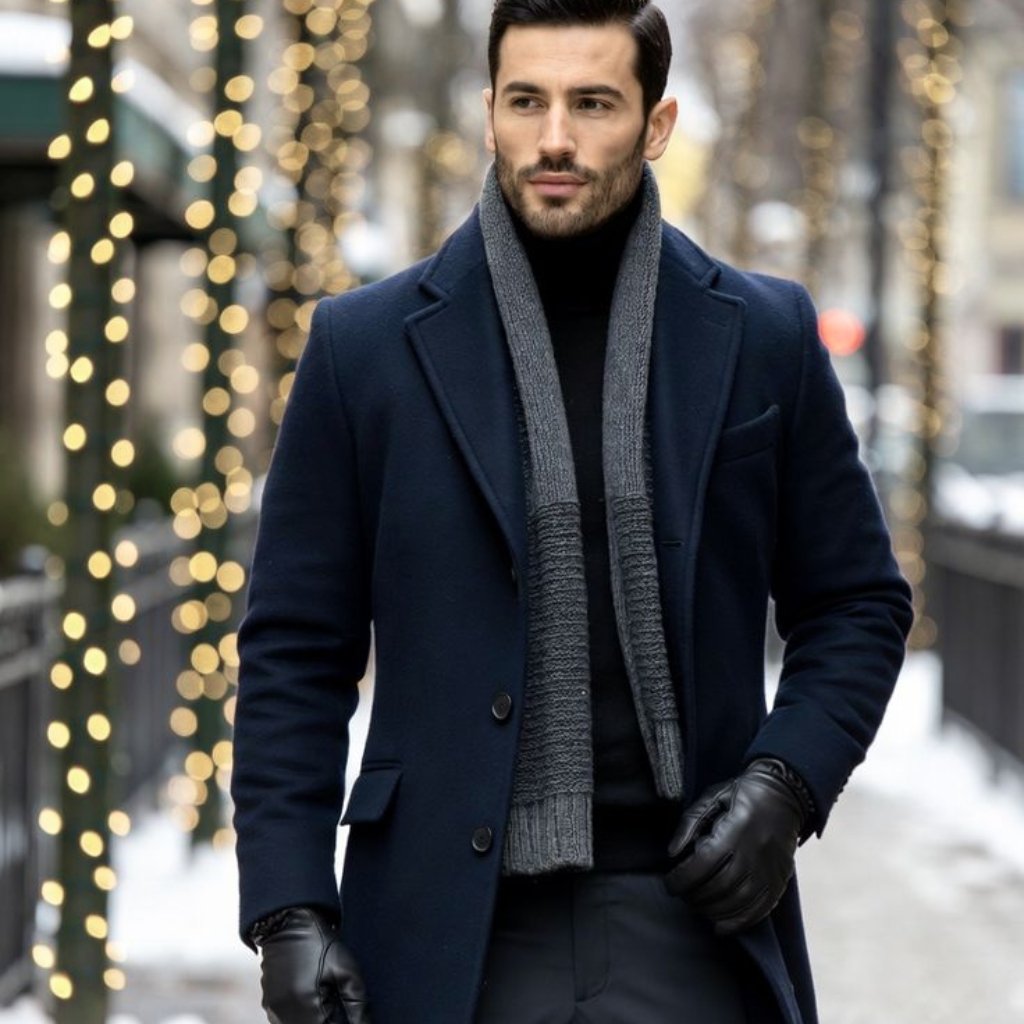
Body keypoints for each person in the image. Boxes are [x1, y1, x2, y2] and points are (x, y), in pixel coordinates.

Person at [229, 1, 914, 1021]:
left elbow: (857, 602)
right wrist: (287, 904)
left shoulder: (763, 334)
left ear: (656, 123)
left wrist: (783, 787)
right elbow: (295, 648)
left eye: (592, 102)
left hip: (696, 923)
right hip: (447, 933)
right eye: (527, 101)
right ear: (490, 112)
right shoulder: (361, 348)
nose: (555, 137)